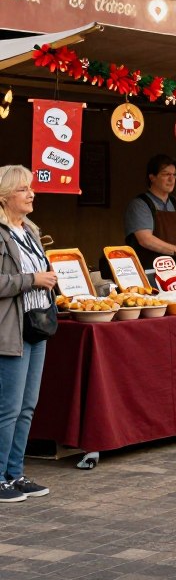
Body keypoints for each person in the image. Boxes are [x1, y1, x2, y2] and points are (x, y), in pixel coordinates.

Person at [0, 166, 57, 504]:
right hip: (11, 327)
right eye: (23, 189)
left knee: (27, 405)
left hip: (37, 323)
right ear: (5, 195)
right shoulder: (1, 233)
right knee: (8, 407)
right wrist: (33, 280)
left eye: (31, 188)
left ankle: (15, 472)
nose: (31, 194)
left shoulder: (30, 230)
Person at [124, 154, 176, 269]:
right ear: (152, 177)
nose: (171, 179)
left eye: (174, 175)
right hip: (151, 272)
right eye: (166, 174)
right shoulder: (140, 204)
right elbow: (145, 240)